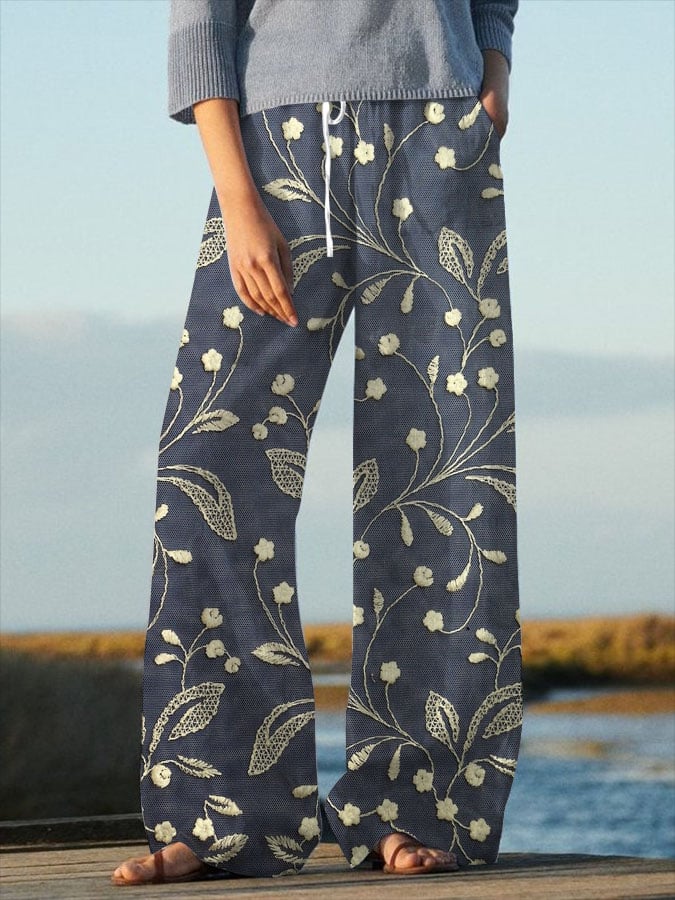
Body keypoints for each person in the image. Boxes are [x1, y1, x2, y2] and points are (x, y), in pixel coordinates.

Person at [112, 0, 521, 885]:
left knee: (447, 470)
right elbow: (199, 17)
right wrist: (237, 196)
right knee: (210, 466)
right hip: (276, 144)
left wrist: (492, 64)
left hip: (438, 130)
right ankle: (222, 813)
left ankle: (416, 802)